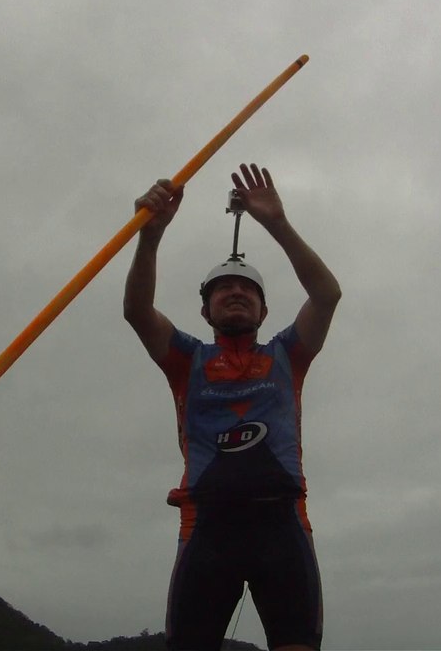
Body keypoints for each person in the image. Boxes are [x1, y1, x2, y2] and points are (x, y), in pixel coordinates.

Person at [123, 163, 342, 651]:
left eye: (248, 290)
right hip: (207, 529)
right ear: (206, 311)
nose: (236, 291)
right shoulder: (187, 360)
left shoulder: (287, 354)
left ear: (264, 311)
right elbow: (137, 312)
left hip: (282, 525)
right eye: (223, 289)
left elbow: (326, 294)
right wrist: (151, 235)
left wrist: (276, 223)